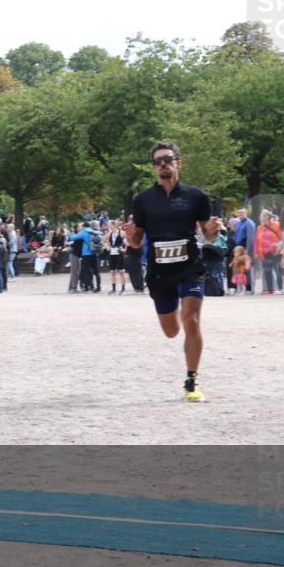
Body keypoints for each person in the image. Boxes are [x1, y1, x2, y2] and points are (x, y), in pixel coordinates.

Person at [122, 141, 219, 403]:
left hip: (190, 268)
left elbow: (208, 236)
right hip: (159, 273)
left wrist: (212, 230)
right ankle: (174, 304)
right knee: (172, 331)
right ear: (154, 168)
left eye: (167, 159)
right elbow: (137, 241)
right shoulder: (142, 200)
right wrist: (131, 237)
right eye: (157, 162)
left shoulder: (196, 197)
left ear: (178, 163)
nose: (163, 165)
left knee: (192, 321)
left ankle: (191, 379)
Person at [107, 220, 127, 294]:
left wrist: (124, 249)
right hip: (112, 254)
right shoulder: (109, 234)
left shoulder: (122, 233)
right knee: (112, 272)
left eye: (110, 225)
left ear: (114, 225)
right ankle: (114, 289)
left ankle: (123, 289)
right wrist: (107, 247)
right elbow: (103, 241)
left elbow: (127, 242)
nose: (108, 226)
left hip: (119, 254)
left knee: (121, 271)